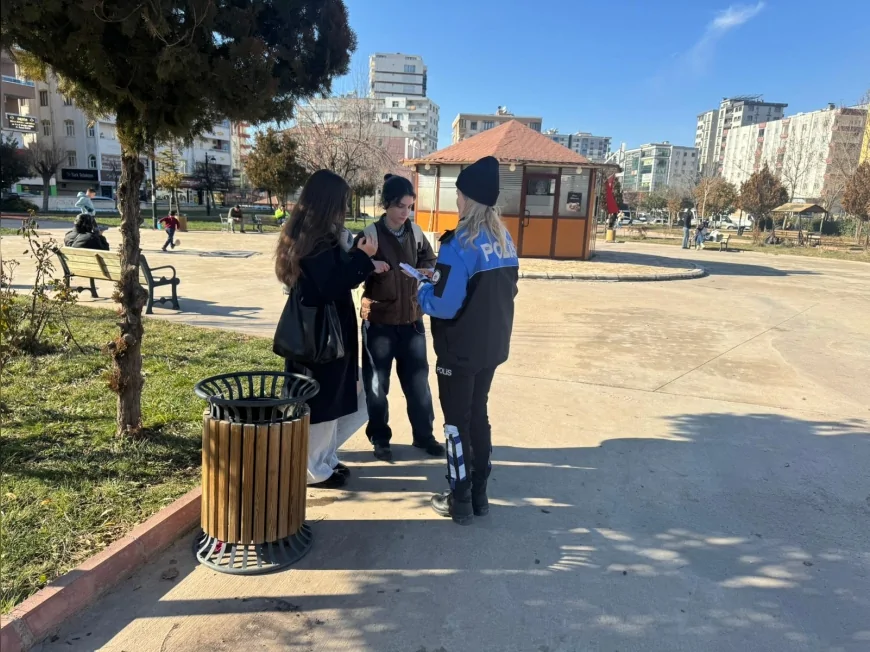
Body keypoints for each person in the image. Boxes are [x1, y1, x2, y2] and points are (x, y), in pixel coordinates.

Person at [414, 156, 519, 525]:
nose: (456, 202)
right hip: (492, 346)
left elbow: (443, 305)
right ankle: (480, 494)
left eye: (458, 196)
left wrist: (422, 290)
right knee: (479, 416)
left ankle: (459, 500)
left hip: (459, 349)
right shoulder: (504, 239)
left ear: (468, 199)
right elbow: (510, 290)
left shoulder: (458, 243)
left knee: (456, 422)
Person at [274, 170, 378, 489]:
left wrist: (353, 253)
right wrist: (363, 257)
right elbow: (330, 285)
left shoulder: (316, 235)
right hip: (319, 335)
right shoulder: (315, 239)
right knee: (321, 401)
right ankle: (312, 470)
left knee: (334, 397)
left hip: (327, 330)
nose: (344, 207)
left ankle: (325, 460)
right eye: (342, 201)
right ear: (328, 202)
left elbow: (333, 276)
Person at [356, 174, 443, 462]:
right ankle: (380, 438)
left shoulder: (416, 233)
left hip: (412, 321)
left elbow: (430, 260)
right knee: (378, 385)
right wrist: (368, 264)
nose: (405, 213)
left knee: (419, 383)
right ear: (386, 205)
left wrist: (427, 271)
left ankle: (424, 436)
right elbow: (351, 271)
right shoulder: (370, 234)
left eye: (409, 207)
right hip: (378, 322)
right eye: (400, 206)